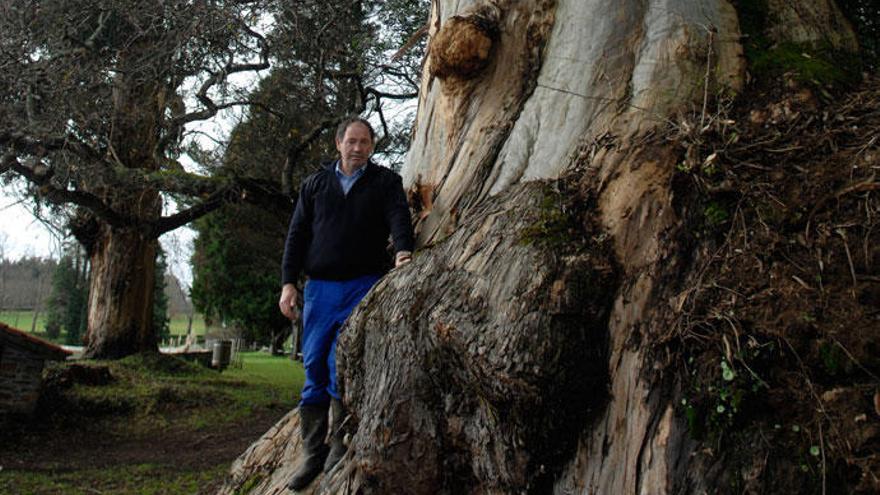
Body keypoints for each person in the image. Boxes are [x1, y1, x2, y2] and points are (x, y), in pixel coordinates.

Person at [279, 116, 414, 491]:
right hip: (319, 290)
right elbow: (296, 235)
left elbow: (398, 216)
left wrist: (403, 251)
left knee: (344, 366)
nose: (358, 148)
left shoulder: (386, 182)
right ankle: (312, 453)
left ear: (372, 146)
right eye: (351, 141)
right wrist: (288, 285)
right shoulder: (315, 185)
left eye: (365, 142)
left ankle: (338, 445)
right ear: (338, 144)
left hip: (363, 286)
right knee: (314, 367)